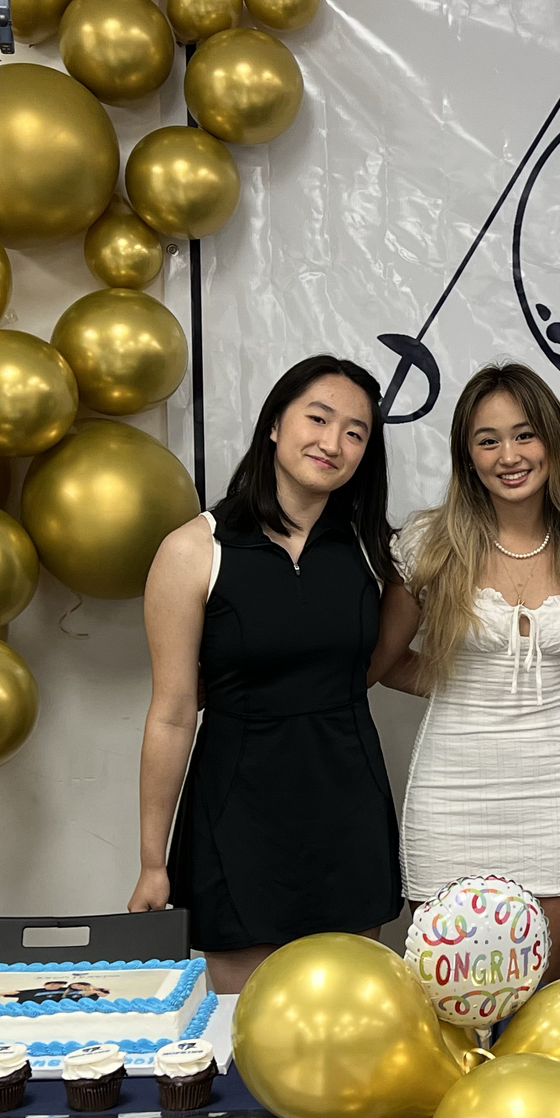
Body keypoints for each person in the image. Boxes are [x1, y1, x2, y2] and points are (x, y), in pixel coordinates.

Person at [131, 356, 417, 994]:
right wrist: (154, 862)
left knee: (347, 1022)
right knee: (245, 1030)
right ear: (274, 425)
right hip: (237, 812)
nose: (332, 442)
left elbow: (380, 667)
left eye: (355, 432)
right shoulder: (193, 549)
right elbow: (174, 712)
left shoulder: (377, 553)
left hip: (349, 806)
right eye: (317, 418)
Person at [385, 363, 560, 980]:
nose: (508, 455)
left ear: (553, 440)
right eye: (487, 440)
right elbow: (381, 664)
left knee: (535, 1002)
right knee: (445, 1005)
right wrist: (463, 685)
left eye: (524, 435)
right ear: (467, 456)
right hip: (449, 795)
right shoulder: (429, 543)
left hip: (554, 798)